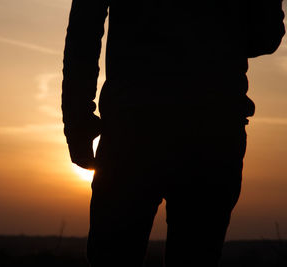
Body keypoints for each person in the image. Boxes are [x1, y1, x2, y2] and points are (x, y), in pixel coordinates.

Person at [61, 0, 285, 266]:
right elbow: (265, 36)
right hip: (211, 132)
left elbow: (84, 27)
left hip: (135, 130)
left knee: (113, 257)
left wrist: (77, 120)